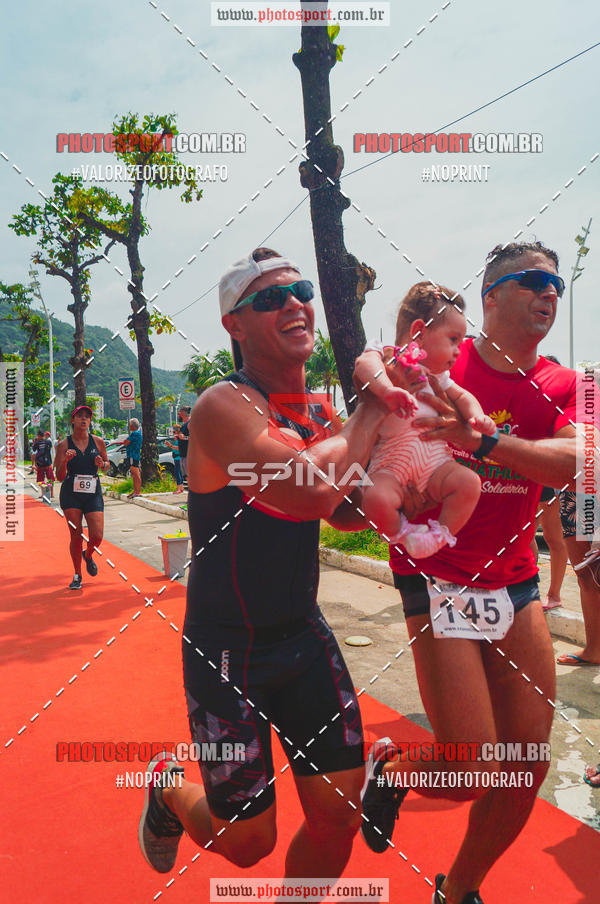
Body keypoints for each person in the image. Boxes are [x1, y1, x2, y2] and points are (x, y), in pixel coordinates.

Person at [137, 248, 423, 879]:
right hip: (226, 652)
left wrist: (401, 500)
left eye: (300, 291)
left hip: (303, 637)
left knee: (339, 815)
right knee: (247, 844)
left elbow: (338, 509)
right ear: (233, 326)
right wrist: (376, 404)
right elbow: (305, 490)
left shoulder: (320, 412)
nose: (294, 303)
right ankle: (168, 790)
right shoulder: (223, 406)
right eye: (269, 298)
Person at [361, 242, 583, 904]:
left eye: (557, 287)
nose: (549, 295)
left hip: (513, 584)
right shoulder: (435, 364)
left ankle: (457, 892)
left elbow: (580, 465)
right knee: (470, 769)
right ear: (490, 296)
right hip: (439, 578)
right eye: (534, 282)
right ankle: (393, 770)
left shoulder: (568, 384)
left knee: (526, 768)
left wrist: (487, 443)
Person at [355, 283, 496, 557]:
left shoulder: (437, 376)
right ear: (419, 331)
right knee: (374, 499)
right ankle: (402, 533)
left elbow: (464, 396)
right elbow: (364, 366)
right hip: (390, 464)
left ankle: (439, 536)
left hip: (435, 463)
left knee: (469, 483)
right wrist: (388, 390)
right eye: (454, 339)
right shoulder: (385, 355)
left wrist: (478, 417)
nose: (459, 349)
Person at [54, 405, 109, 590]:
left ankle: (88, 554)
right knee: (76, 535)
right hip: (71, 493)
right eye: (79, 416)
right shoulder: (64, 445)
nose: (84, 419)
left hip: (93, 491)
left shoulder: (98, 442)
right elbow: (59, 477)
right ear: (73, 420)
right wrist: (64, 461)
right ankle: (77, 574)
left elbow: (107, 465)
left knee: (97, 535)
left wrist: (102, 464)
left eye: (87, 417)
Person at [122, 418, 142, 498]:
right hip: (134, 455)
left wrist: (126, 441)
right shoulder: (138, 433)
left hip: (133, 455)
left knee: (135, 473)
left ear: (132, 425)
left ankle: (137, 491)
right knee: (134, 474)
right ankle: (135, 491)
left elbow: (126, 443)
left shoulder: (135, 433)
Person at [32, 429, 55, 497]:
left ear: (38, 436)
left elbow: (34, 450)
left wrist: (35, 442)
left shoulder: (37, 443)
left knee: (40, 480)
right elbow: (49, 449)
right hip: (48, 463)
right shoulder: (48, 442)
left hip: (40, 464)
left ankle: (43, 493)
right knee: (50, 479)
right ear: (44, 435)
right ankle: (51, 494)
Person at [164, 425, 184, 493]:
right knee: (179, 473)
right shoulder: (178, 439)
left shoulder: (180, 438)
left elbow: (179, 448)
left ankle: (179, 489)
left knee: (178, 473)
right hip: (176, 458)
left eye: (174, 431)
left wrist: (170, 445)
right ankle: (181, 488)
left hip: (178, 458)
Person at [175, 407, 191, 484]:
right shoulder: (183, 425)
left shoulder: (190, 424)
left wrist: (185, 437)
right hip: (183, 454)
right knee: (186, 476)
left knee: (190, 476)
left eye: (179, 413)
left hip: (188, 454)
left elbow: (196, 437)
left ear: (183, 413)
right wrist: (178, 437)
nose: (178, 415)